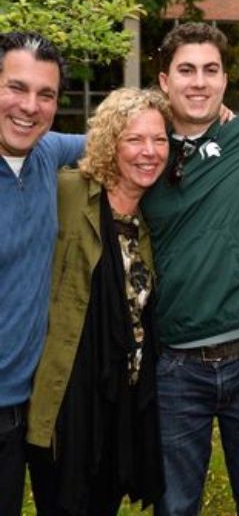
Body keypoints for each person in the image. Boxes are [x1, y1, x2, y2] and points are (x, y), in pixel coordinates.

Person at [141, 22, 239, 516]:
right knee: (174, 505)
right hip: (175, 366)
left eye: (211, 70)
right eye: (186, 70)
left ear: (225, 80)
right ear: (164, 80)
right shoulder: (143, 150)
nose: (199, 82)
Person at [24, 88, 170, 515]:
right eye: (135, 139)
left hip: (122, 401)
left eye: (159, 140)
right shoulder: (66, 192)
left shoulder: (148, 219)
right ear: (109, 143)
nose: (149, 152)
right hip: (69, 401)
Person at [0, 32, 84, 516]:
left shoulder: (47, 151)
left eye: (46, 94)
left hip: (25, 410)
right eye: (17, 88)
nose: (29, 107)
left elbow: (124, 137)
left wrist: (223, 124)